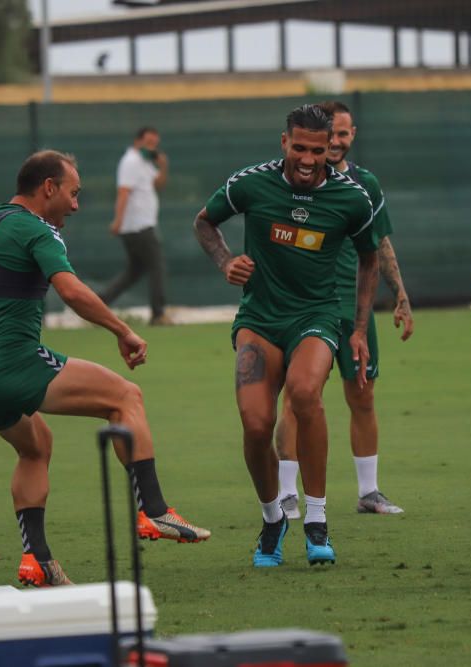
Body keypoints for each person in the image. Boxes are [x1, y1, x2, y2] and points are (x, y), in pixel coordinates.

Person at [0, 150, 209, 588]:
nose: (75, 204)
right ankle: (154, 511)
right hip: (14, 362)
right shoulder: (37, 229)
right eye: (73, 193)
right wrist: (122, 331)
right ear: (48, 188)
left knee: (36, 447)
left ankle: (37, 559)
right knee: (126, 396)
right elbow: (71, 291)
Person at [194, 104, 378, 568]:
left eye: (318, 150)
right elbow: (204, 221)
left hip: (316, 317)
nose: (309, 159)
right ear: (284, 143)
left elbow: (369, 259)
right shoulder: (250, 183)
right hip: (259, 319)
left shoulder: (351, 198)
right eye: (300, 148)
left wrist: (358, 328)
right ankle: (273, 517)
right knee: (256, 426)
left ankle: (316, 519)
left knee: (304, 394)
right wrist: (225, 262)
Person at [274, 101, 413, 519]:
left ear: (353, 136)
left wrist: (401, 295)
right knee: (297, 397)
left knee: (363, 394)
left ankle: (368, 492)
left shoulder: (364, 185)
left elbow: (379, 244)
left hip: (354, 307)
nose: (336, 142)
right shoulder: (290, 181)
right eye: (330, 134)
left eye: (344, 134)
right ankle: (286, 494)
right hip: (302, 304)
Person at [99, 126, 172, 325]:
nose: (152, 147)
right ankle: (158, 314)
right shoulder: (130, 161)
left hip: (141, 225)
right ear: (137, 141)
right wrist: (118, 221)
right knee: (157, 267)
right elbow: (123, 192)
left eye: (155, 144)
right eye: (148, 142)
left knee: (134, 272)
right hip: (138, 226)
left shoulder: (146, 162)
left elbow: (157, 186)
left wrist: (163, 166)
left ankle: (99, 303)